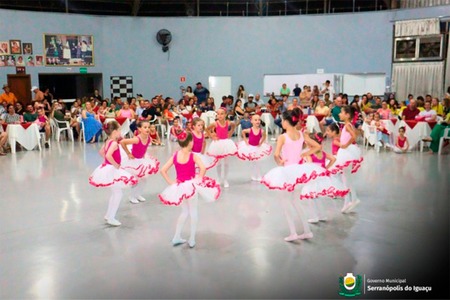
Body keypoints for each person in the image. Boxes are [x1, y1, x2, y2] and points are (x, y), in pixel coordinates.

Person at [260, 108, 325, 242]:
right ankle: (307, 231)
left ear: (286, 122)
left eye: (282, 120)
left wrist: (280, 162)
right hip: (299, 171)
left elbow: (276, 154)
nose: (281, 122)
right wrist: (305, 154)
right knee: (296, 202)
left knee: (286, 203)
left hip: (287, 172)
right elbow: (318, 147)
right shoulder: (301, 134)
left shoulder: (283, 137)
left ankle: (293, 233)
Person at [159, 131, 221, 248]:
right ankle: (192, 238)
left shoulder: (175, 155)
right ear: (190, 143)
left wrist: (171, 183)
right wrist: (198, 180)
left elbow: (163, 170)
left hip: (180, 186)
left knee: (184, 212)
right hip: (191, 186)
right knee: (193, 211)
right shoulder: (193, 156)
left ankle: (176, 236)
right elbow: (203, 168)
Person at [89, 121, 138, 226]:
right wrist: (115, 165)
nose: (120, 132)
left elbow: (102, 152)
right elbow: (108, 155)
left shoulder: (108, 141)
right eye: (120, 130)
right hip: (112, 170)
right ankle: (111, 217)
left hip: (108, 168)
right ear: (115, 131)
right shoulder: (114, 143)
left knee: (115, 193)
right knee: (118, 193)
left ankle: (108, 215)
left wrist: (108, 163)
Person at [300, 132, 348, 223]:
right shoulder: (322, 153)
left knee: (312, 197)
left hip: (314, 177)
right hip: (322, 176)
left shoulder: (309, 154)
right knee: (316, 197)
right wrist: (326, 168)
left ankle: (314, 216)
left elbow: (310, 165)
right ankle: (322, 215)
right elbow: (333, 159)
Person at [331, 106, 363, 213]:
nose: (339, 114)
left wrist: (344, 145)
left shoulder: (348, 125)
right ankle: (351, 199)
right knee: (346, 177)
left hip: (346, 152)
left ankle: (349, 200)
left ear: (347, 115)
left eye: (341, 112)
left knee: (345, 178)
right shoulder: (346, 125)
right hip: (346, 152)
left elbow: (354, 136)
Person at [120, 121, 160, 204]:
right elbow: (122, 142)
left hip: (142, 160)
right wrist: (128, 153)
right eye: (145, 127)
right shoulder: (136, 139)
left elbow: (144, 148)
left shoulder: (148, 138)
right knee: (136, 180)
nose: (147, 129)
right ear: (139, 129)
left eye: (148, 127)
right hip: (134, 161)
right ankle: (132, 196)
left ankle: (138, 194)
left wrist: (144, 155)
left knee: (144, 179)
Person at [206, 108, 237, 188]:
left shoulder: (228, 123)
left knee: (226, 163)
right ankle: (219, 178)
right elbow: (207, 129)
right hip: (218, 144)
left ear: (225, 115)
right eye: (218, 114)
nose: (220, 115)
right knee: (219, 163)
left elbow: (234, 125)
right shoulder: (215, 123)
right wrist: (212, 136)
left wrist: (230, 132)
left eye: (222, 114)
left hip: (226, 143)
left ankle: (225, 179)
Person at [236, 114, 272, 181]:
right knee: (253, 163)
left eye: (259, 120)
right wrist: (245, 140)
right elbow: (243, 132)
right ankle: (253, 174)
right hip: (250, 147)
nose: (257, 121)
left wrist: (261, 143)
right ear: (251, 121)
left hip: (257, 148)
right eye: (255, 120)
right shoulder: (250, 130)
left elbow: (264, 136)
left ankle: (258, 175)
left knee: (257, 163)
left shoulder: (261, 131)